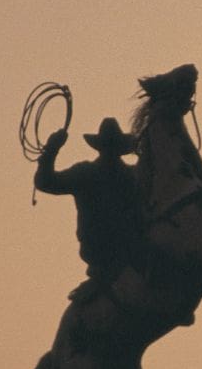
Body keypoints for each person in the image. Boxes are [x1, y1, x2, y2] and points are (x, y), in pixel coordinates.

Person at [35, 118, 140, 288]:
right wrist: (51, 150)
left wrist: (51, 150)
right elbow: (45, 182)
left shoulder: (89, 173)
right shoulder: (133, 176)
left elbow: (45, 182)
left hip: (122, 256)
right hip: (108, 256)